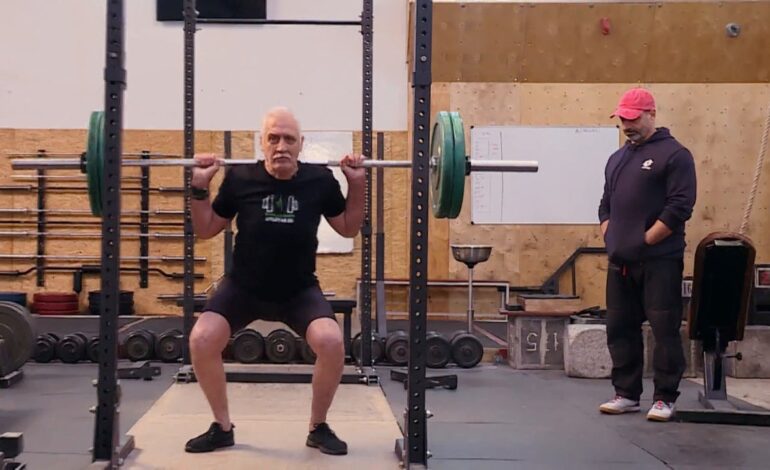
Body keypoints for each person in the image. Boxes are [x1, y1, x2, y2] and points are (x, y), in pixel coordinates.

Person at [184, 107, 365, 454]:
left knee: (331, 342)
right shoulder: (240, 178)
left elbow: (348, 227)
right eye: (273, 138)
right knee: (202, 339)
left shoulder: (320, 180)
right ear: (262, 143)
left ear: (301, 145)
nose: (281, 145)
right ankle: (222, 427)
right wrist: (199, 187)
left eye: (289, 139)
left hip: (298, 290)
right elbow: (206, 229)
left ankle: (318, 426)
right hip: (243, 288)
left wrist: (357, 184)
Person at [597, 88, 697, 422]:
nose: (627, 124)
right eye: (623, 118)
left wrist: (645, 241)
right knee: (619, 327)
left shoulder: (675, 155)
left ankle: (665, 398)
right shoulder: (618, 158)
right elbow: (605, 205)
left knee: (664, 328)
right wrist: (612, 238)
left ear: (651, 114)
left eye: (634, 117)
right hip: (621, 261)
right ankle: (626, 394)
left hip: (660, 261)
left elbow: (679, 207)